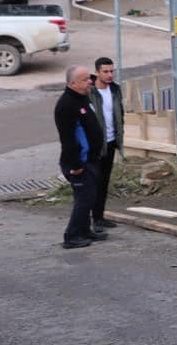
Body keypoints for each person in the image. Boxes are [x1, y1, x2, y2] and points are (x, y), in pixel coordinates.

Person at [53, 64, 108, 249]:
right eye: (85, 80)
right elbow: (68, 139)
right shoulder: (66, 105)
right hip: (78, 162)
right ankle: (72, 235)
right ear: (72, 83)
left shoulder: (82, 98)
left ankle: (84, 230)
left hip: (91, 159)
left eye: (89, 78)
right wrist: (75, 165)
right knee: (83, 199)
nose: (90, 82)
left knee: (90, 197)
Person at [88, 56, 124, 230]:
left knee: (103, 183)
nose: (110, 75)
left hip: (110, 143)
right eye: (106, 72)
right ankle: (89, 220)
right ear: (97, 72)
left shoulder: (115, 90)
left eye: (112, 71)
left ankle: (99, 218)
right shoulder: (89, 91)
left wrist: (119, 138)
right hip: (94, 145)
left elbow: (119, 115)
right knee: (92, 183)